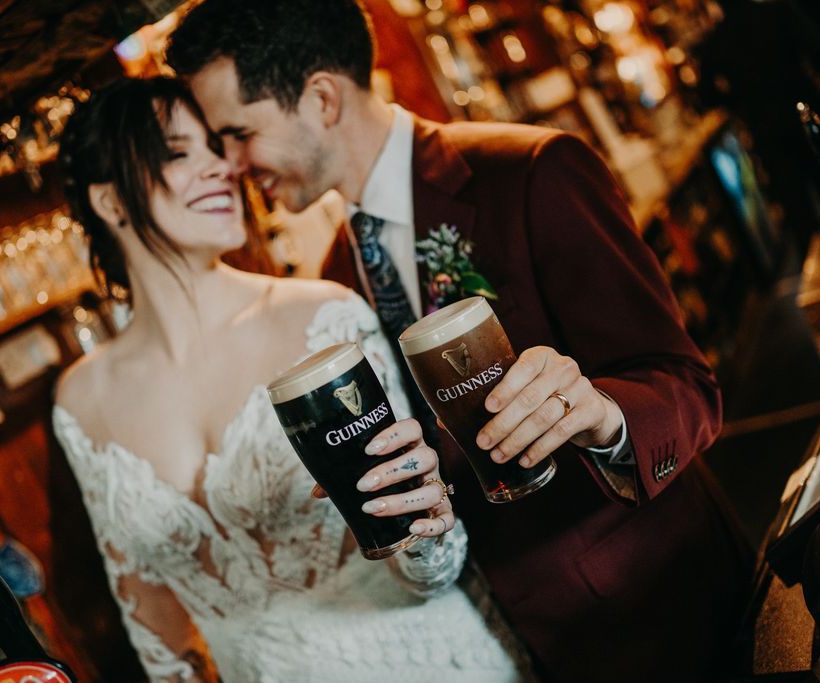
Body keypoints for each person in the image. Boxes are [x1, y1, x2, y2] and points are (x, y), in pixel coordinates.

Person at [167, 2, 753, 680]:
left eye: (237, 134)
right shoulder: (334, 276)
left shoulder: (532, 171)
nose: (232, 165)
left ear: (322, 99)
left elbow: (687, 384)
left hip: (661, 614)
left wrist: (600, 415)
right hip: (507, 645)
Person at [51, 76, 529, 682]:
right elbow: (152, 616)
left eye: (218, 145)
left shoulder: (321, 320)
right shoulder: (81, 399)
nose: (222, 167)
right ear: (110, 202)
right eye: (178, 152)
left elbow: (426, 564)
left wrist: (424, 524)